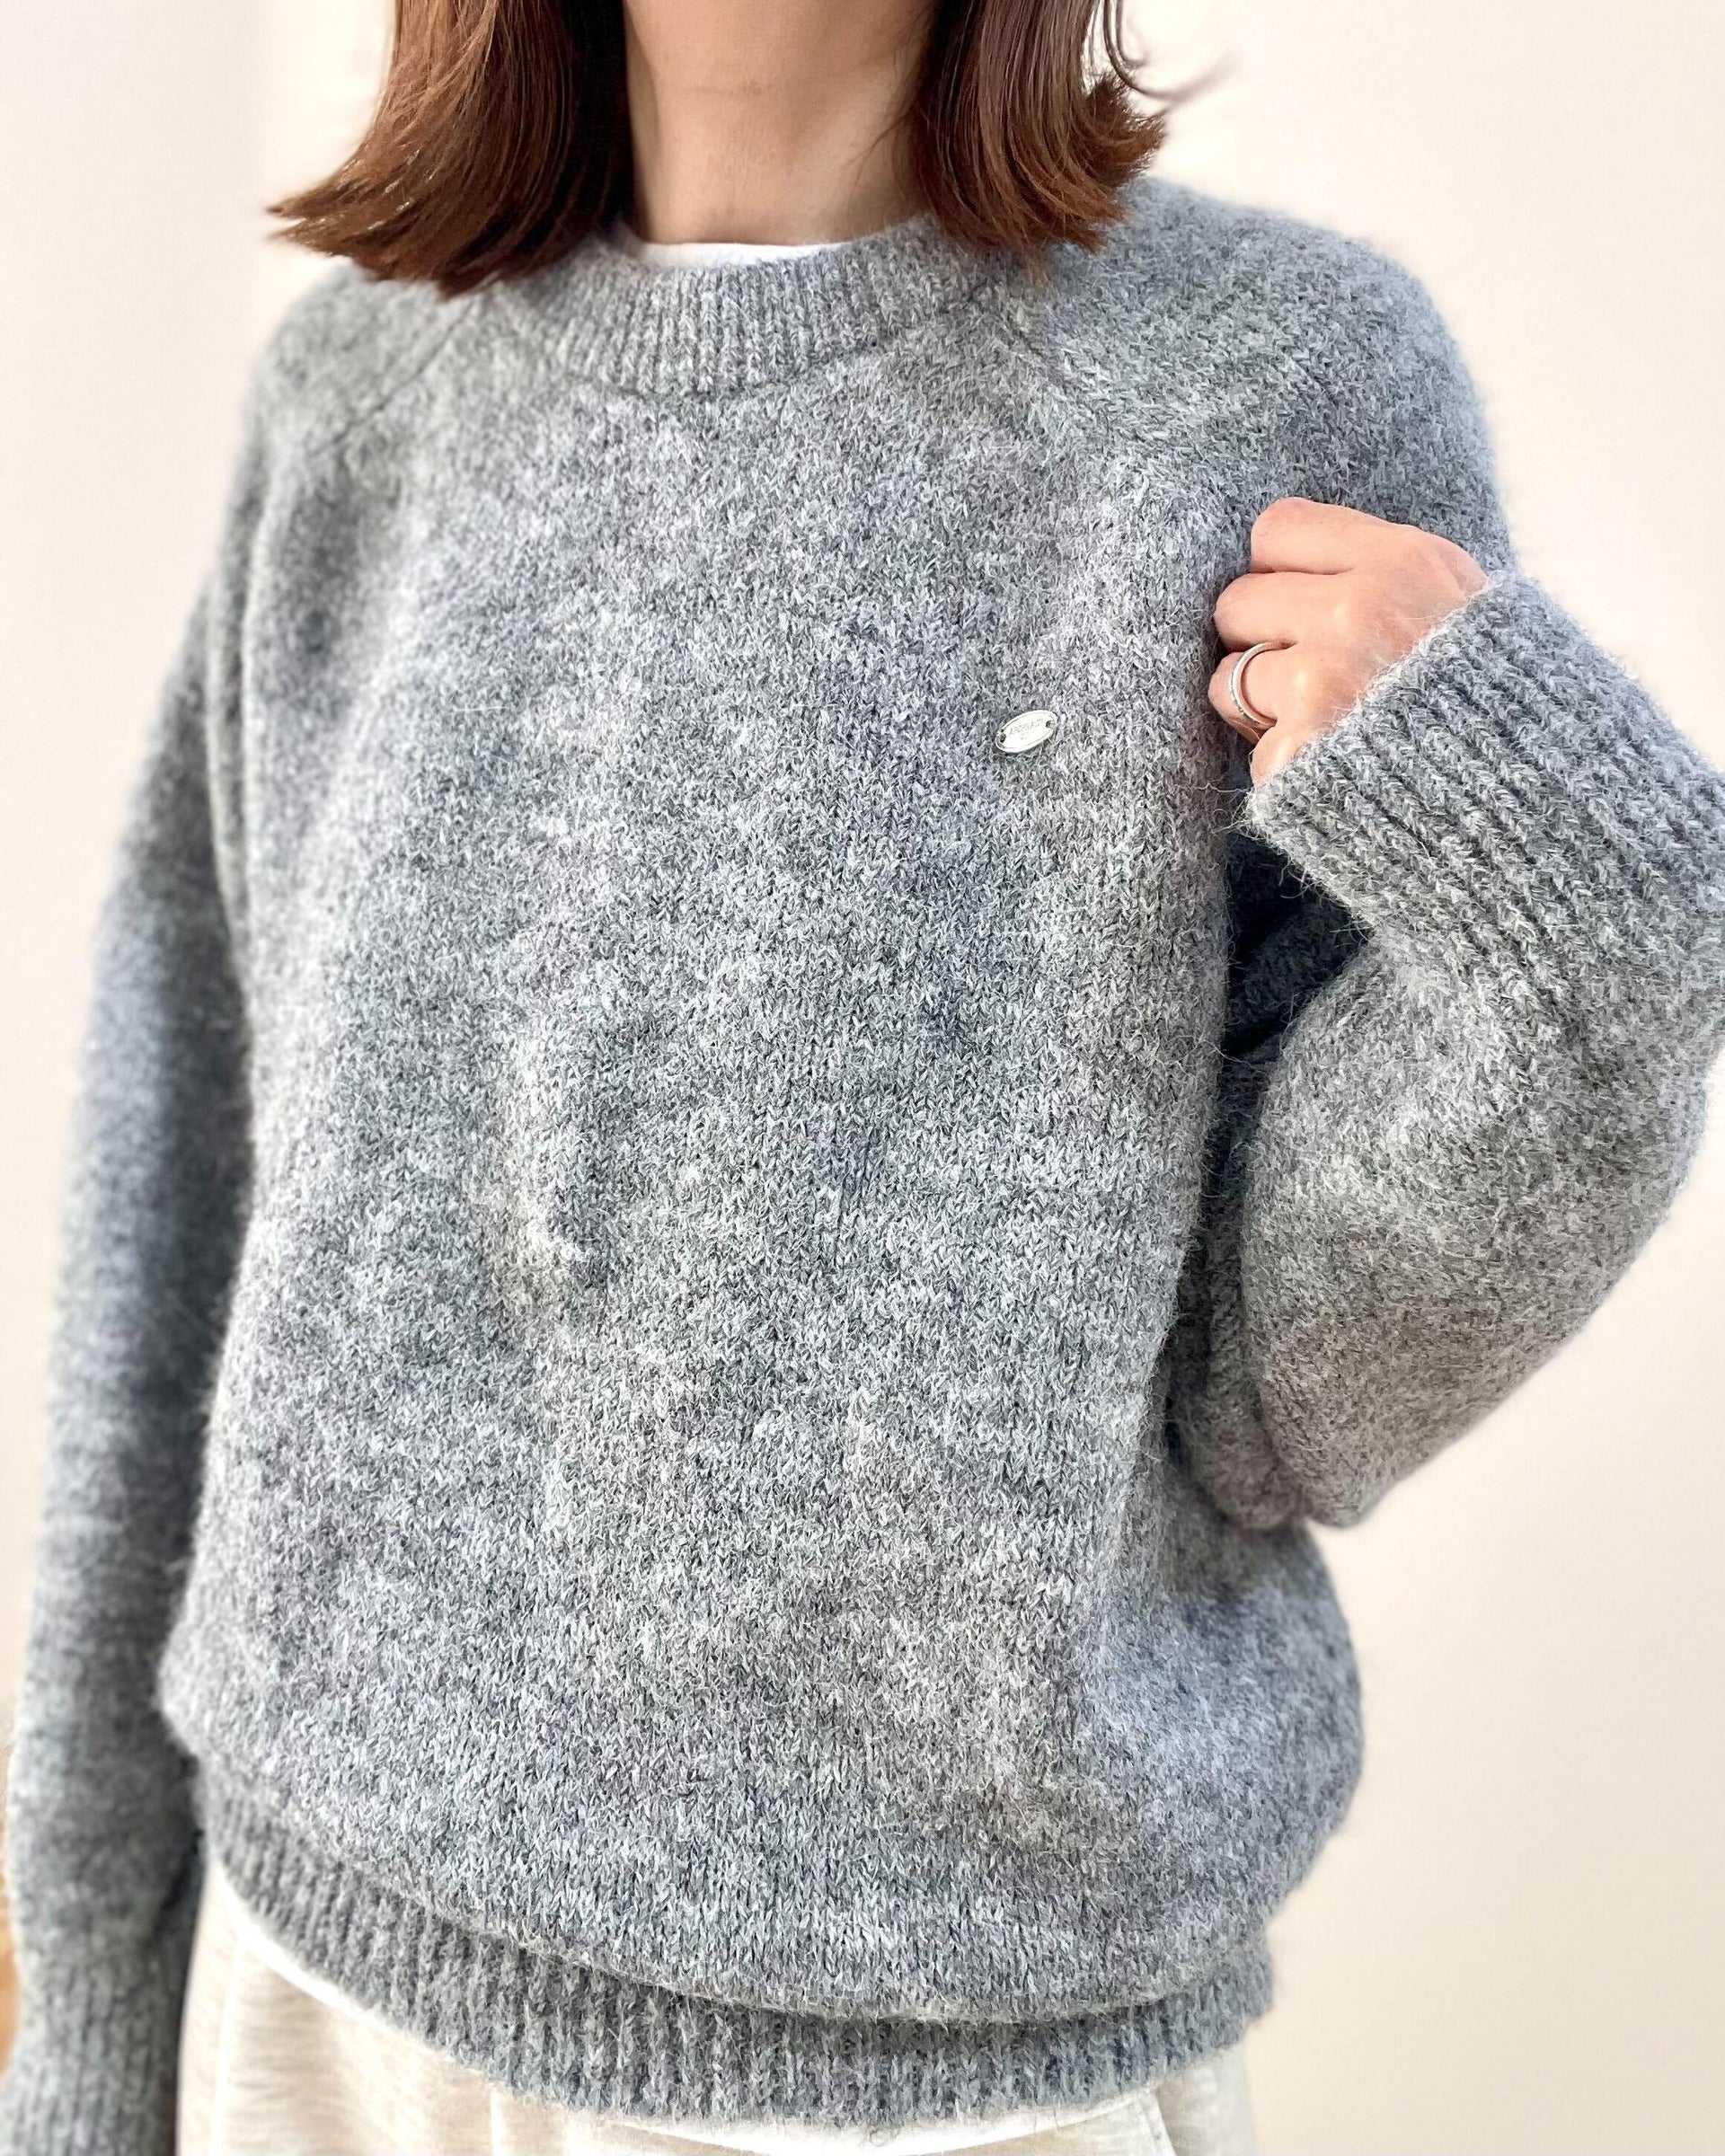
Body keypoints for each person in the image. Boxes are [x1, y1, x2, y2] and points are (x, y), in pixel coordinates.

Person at [4, 0, 1723, 2150]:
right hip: (309, 2012)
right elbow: (173, 1220)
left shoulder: (1271, 388)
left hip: (946, 2081)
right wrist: (84, 2020)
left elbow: (1277, 1390)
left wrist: (1587, 891)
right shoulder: (355, 399)